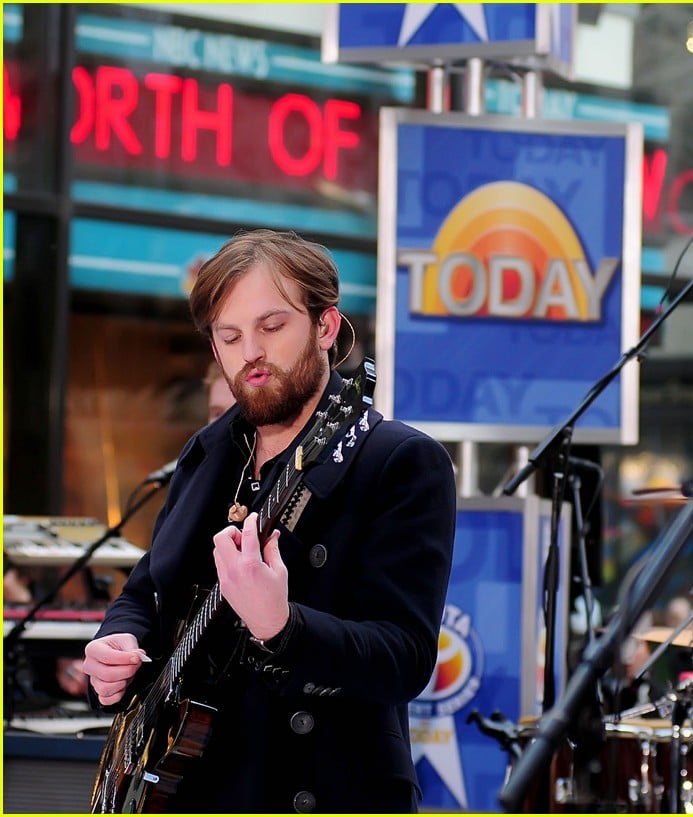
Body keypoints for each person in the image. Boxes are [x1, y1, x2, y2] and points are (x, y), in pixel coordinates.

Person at [82, 229, 457, 812]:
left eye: (272, 326)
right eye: (229, 336)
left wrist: (283, 628)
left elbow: (403, 658)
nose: (249, 351)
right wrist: (119, 640)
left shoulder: (398, 461)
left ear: (326, 327)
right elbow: (147, 590)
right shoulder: (207, 455)